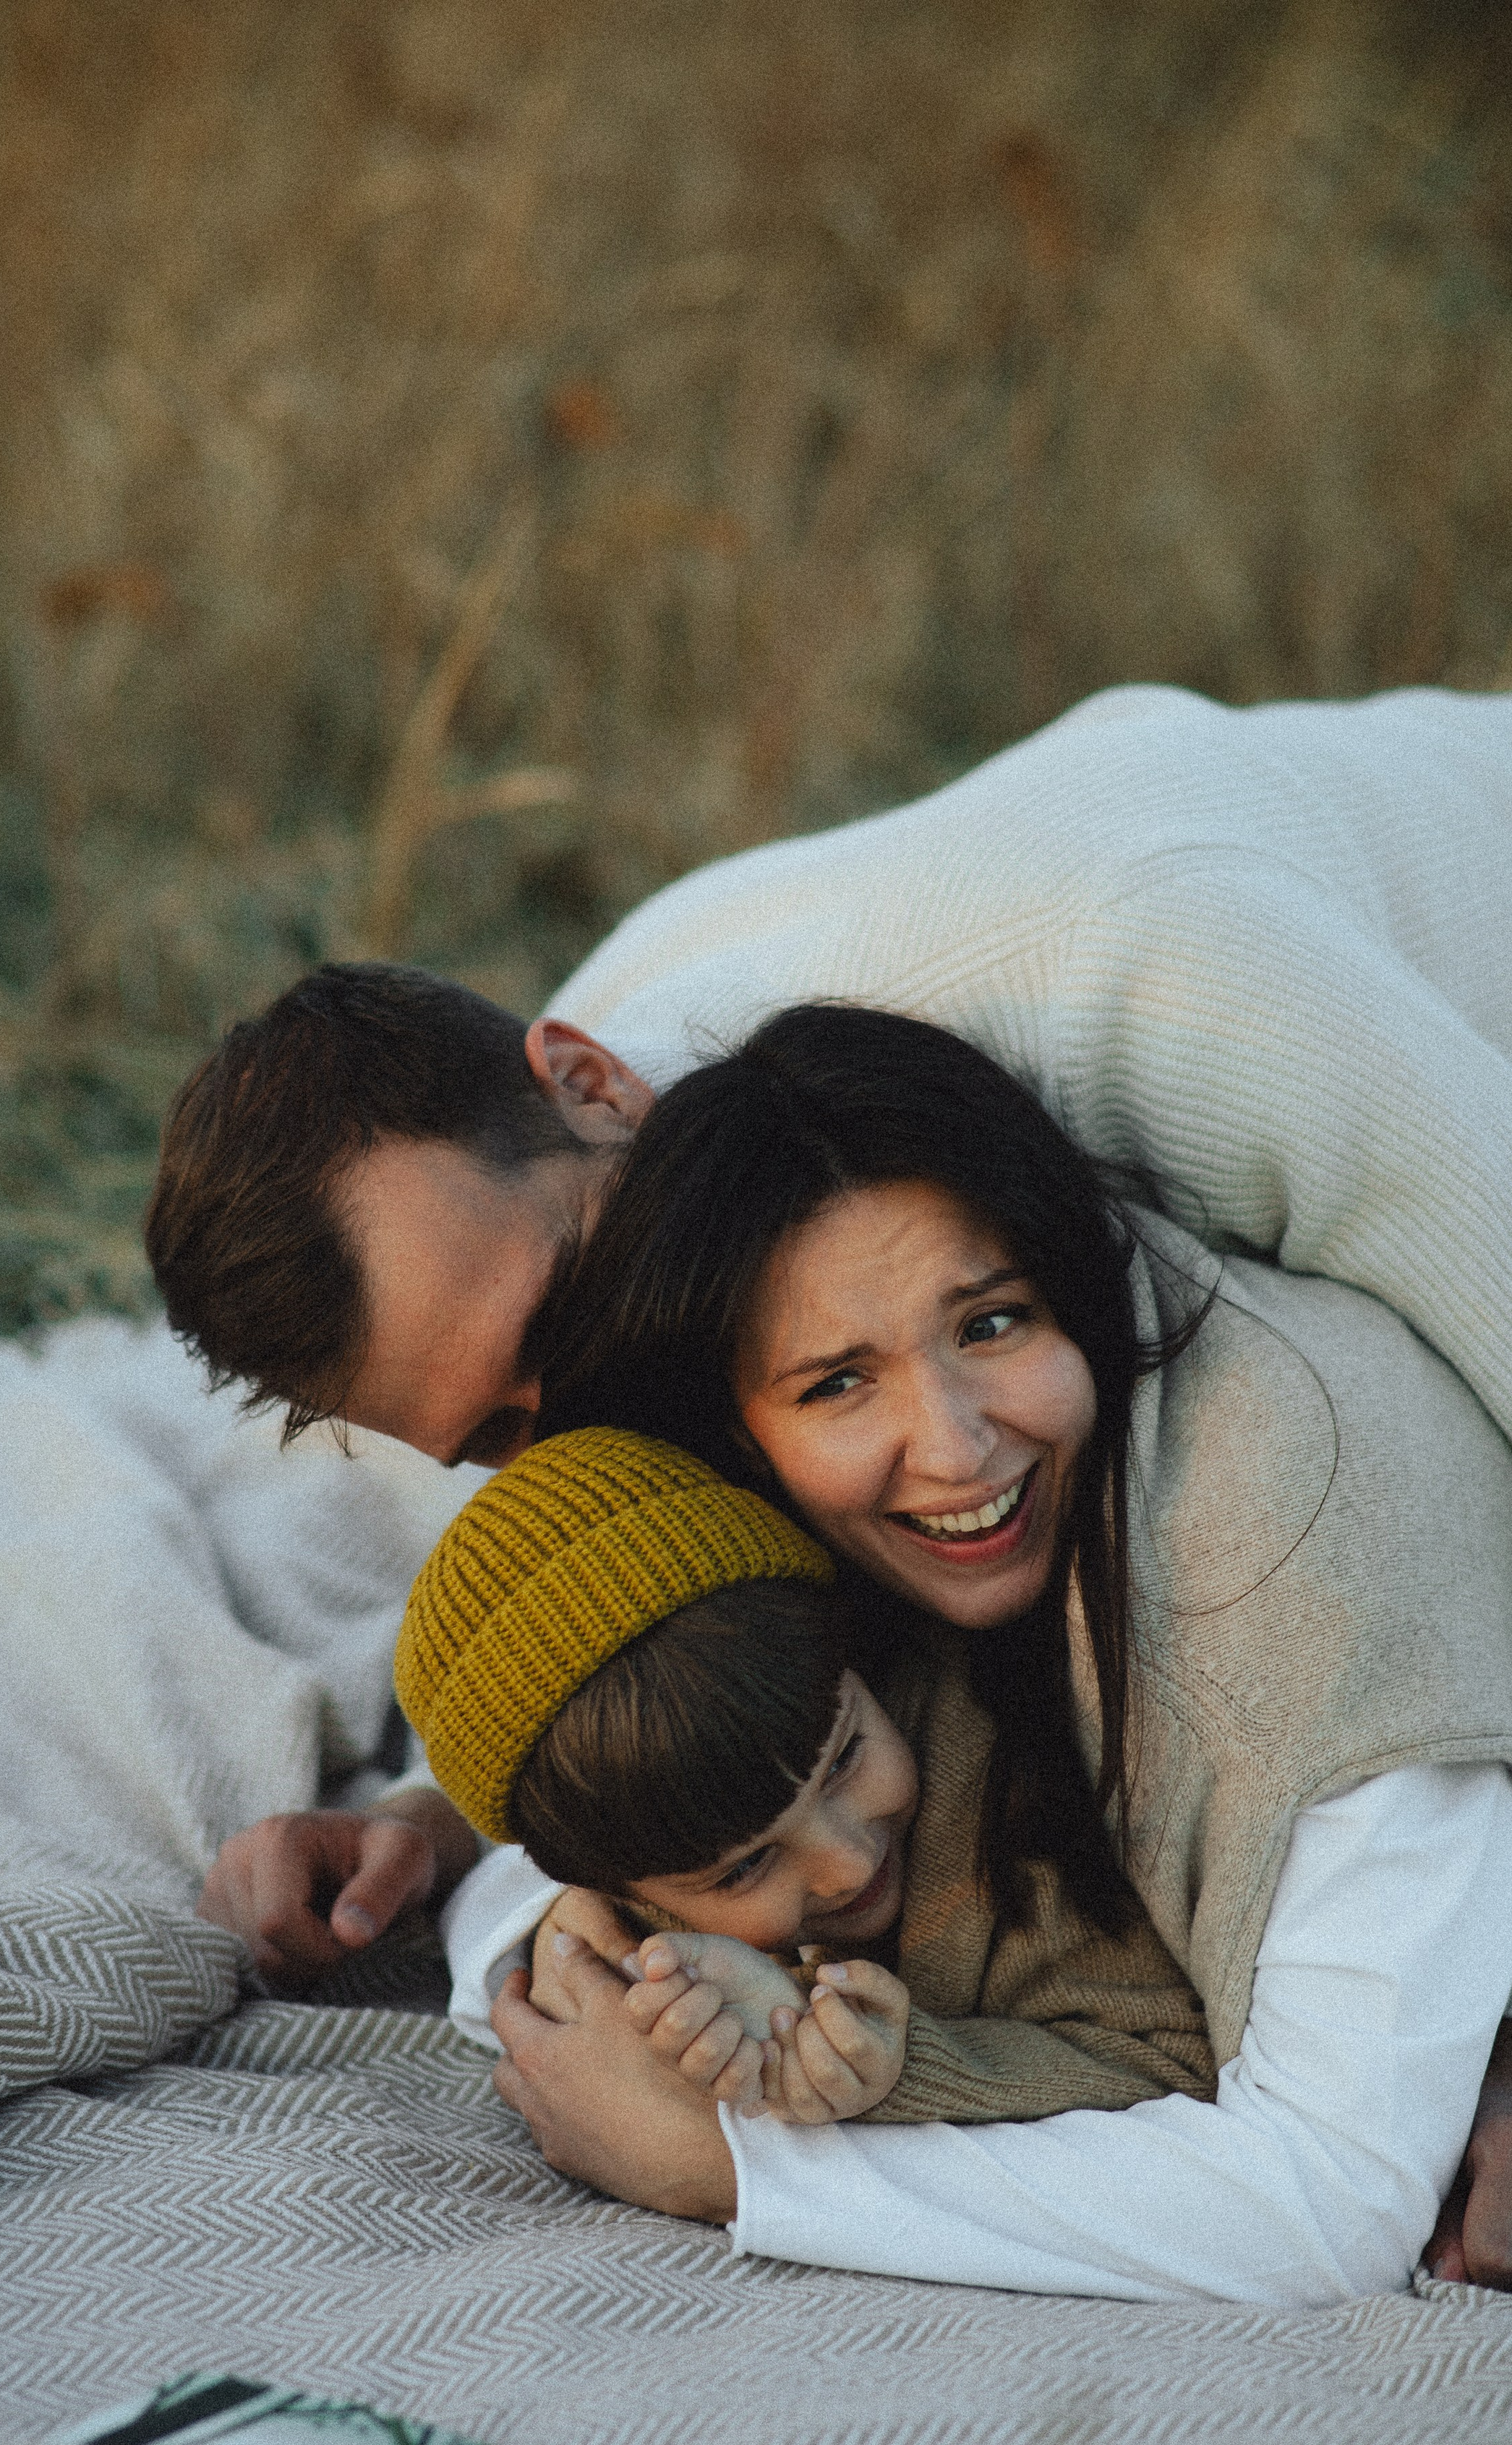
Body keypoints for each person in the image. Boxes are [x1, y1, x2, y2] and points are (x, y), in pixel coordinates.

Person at [150, 682, 1512, 2277]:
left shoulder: (1166, 1001)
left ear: (590, 1083)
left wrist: (1462, 1997)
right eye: (500, 1436)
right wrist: (452, 1821)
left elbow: (1398, 1519)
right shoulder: (589, 1211)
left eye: (556, 1334)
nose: (593, 1428)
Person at [458, 1004, 1512, 2304]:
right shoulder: (800, 1570)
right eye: (837, 1383)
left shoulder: (1292, 1582)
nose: (955, 1448)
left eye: (995, 1323)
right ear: (732, 1442)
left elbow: (1333, 2199)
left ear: (1067, 1283)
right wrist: (579, 1940)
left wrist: (730, 2167)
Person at [393, 1427, 1215, 2128]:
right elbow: (511, 1938)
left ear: (847, 1646)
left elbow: (1168, 2062)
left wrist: (900, 2072)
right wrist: (582, 1953)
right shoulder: (634, 1893)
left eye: (845, 1760)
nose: (847, 1863)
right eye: (746, 1867)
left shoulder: (1006, 1804)